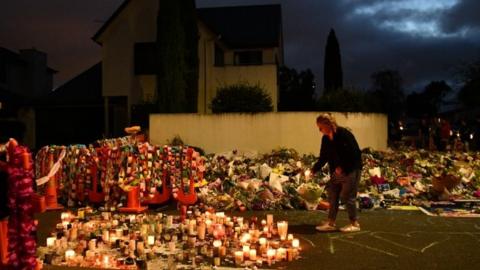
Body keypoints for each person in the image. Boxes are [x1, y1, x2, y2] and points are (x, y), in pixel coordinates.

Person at [311, 113, 363, 232]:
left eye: (321, 127)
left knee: (347, 196)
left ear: (328, 124)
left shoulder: (344, 134)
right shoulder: (325, 139)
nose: (319, 130)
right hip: (337, 172)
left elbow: (354, 154)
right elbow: (323, 157)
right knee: (332, 192)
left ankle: (354, 223)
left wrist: (343, 167)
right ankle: (331, 222)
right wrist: (314, 169)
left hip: (351, 169)